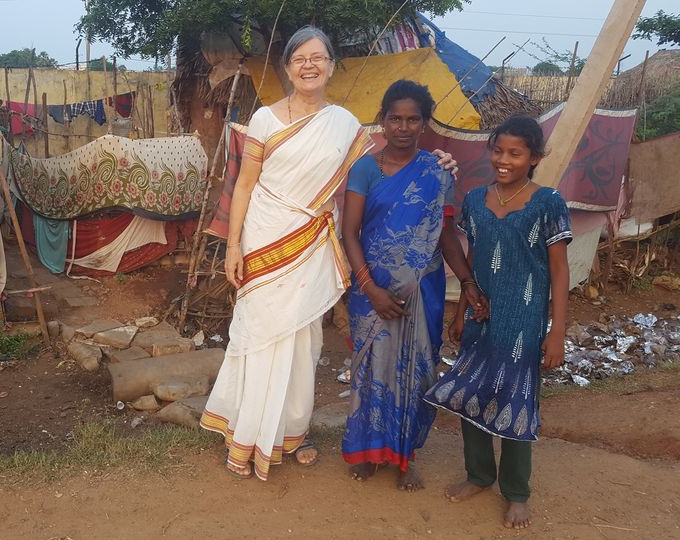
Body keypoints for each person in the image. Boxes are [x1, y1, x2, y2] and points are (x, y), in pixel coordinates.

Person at [199, 26, 456, 481]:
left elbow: (386, 165)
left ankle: (292, 433)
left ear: (331, 66)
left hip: (313, 242)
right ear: (287, 67)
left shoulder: (344, 124)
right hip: (265, 238)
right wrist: (233, 245)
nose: (309, 66)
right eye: (300, 58)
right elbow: (244, 185)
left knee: (304, 340)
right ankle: (247, 432)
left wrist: (437, 162)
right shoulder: (264, 120)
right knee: (259, 334)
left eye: (318, 57)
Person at [422, 115, 571, 529]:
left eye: (515, 154)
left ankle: (517, 492)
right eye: (498, 151)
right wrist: (459, 312)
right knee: (472, 392)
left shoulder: (548, 202)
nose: (503, 160)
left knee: (515, 397)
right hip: (480, 313)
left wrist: (557, 331)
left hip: (523, 319)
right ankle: (479, 475)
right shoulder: (475, 199)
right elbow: (472, 258)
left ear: (534, 158)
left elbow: (559, 270)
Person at [339, 80, 487, 491]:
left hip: (422, 291)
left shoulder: (437, 172)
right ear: (382, 120)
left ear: (424, 124)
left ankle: (406, 457)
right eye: (395, 119)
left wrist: (468, 280)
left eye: (412, 120)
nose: (402, 127)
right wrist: (370, 288)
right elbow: (349, 232)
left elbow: (444, 234)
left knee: (418, 370)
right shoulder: (365, 169)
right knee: (371, 370)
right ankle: (368, 453)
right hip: (372, 291)